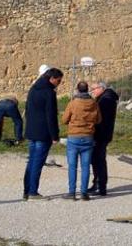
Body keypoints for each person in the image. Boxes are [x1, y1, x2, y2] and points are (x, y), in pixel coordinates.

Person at [22, 68, 63, 201]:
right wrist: (55, 135)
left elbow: (27, 110)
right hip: (43, 132)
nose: (59, 83)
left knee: (31, 162)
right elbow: (51, 116)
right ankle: (33, 192)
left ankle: (27, 191)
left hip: (32, 131)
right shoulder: (48, 92)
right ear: (51, 78)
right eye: (59, 80)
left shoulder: (33, 89)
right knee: (37, 163)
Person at [61, 80, 102, 201]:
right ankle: (84, 193)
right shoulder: (94, 103)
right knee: (85, 166)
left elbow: (64, 120)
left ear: (78, 90)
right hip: (88, 136)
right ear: (87, 89)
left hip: (74, 136)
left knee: (72, 166)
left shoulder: (73, 103)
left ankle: (72, 193)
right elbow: (99, 120)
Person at [89, 81, 119, 196]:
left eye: (94, 89)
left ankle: (100, 185)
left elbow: (100, 119)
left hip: (101, 135)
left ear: (101, 88)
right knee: (97, 159)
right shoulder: (106, 97)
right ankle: (98, 184)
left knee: (98, 160)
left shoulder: (106, 100)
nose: (93, 91)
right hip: (103, 134)